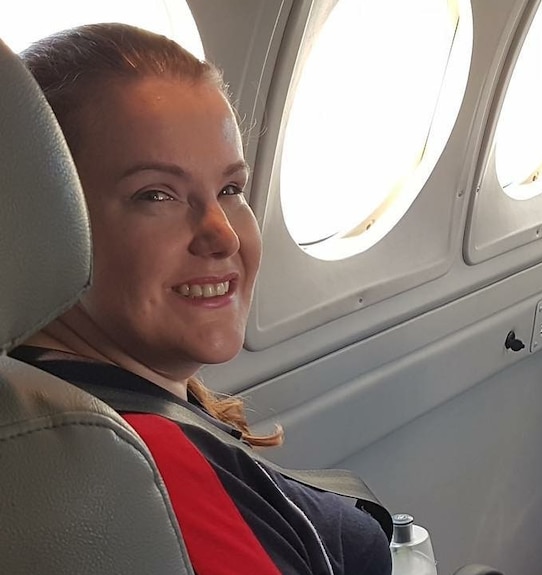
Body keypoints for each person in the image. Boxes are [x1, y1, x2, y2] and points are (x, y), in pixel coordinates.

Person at [12, 22, 392, 575]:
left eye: (230, 189)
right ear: (54, 226)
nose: (224, 235)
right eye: (156, 194)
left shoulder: (54, 391)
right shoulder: (140, 464)